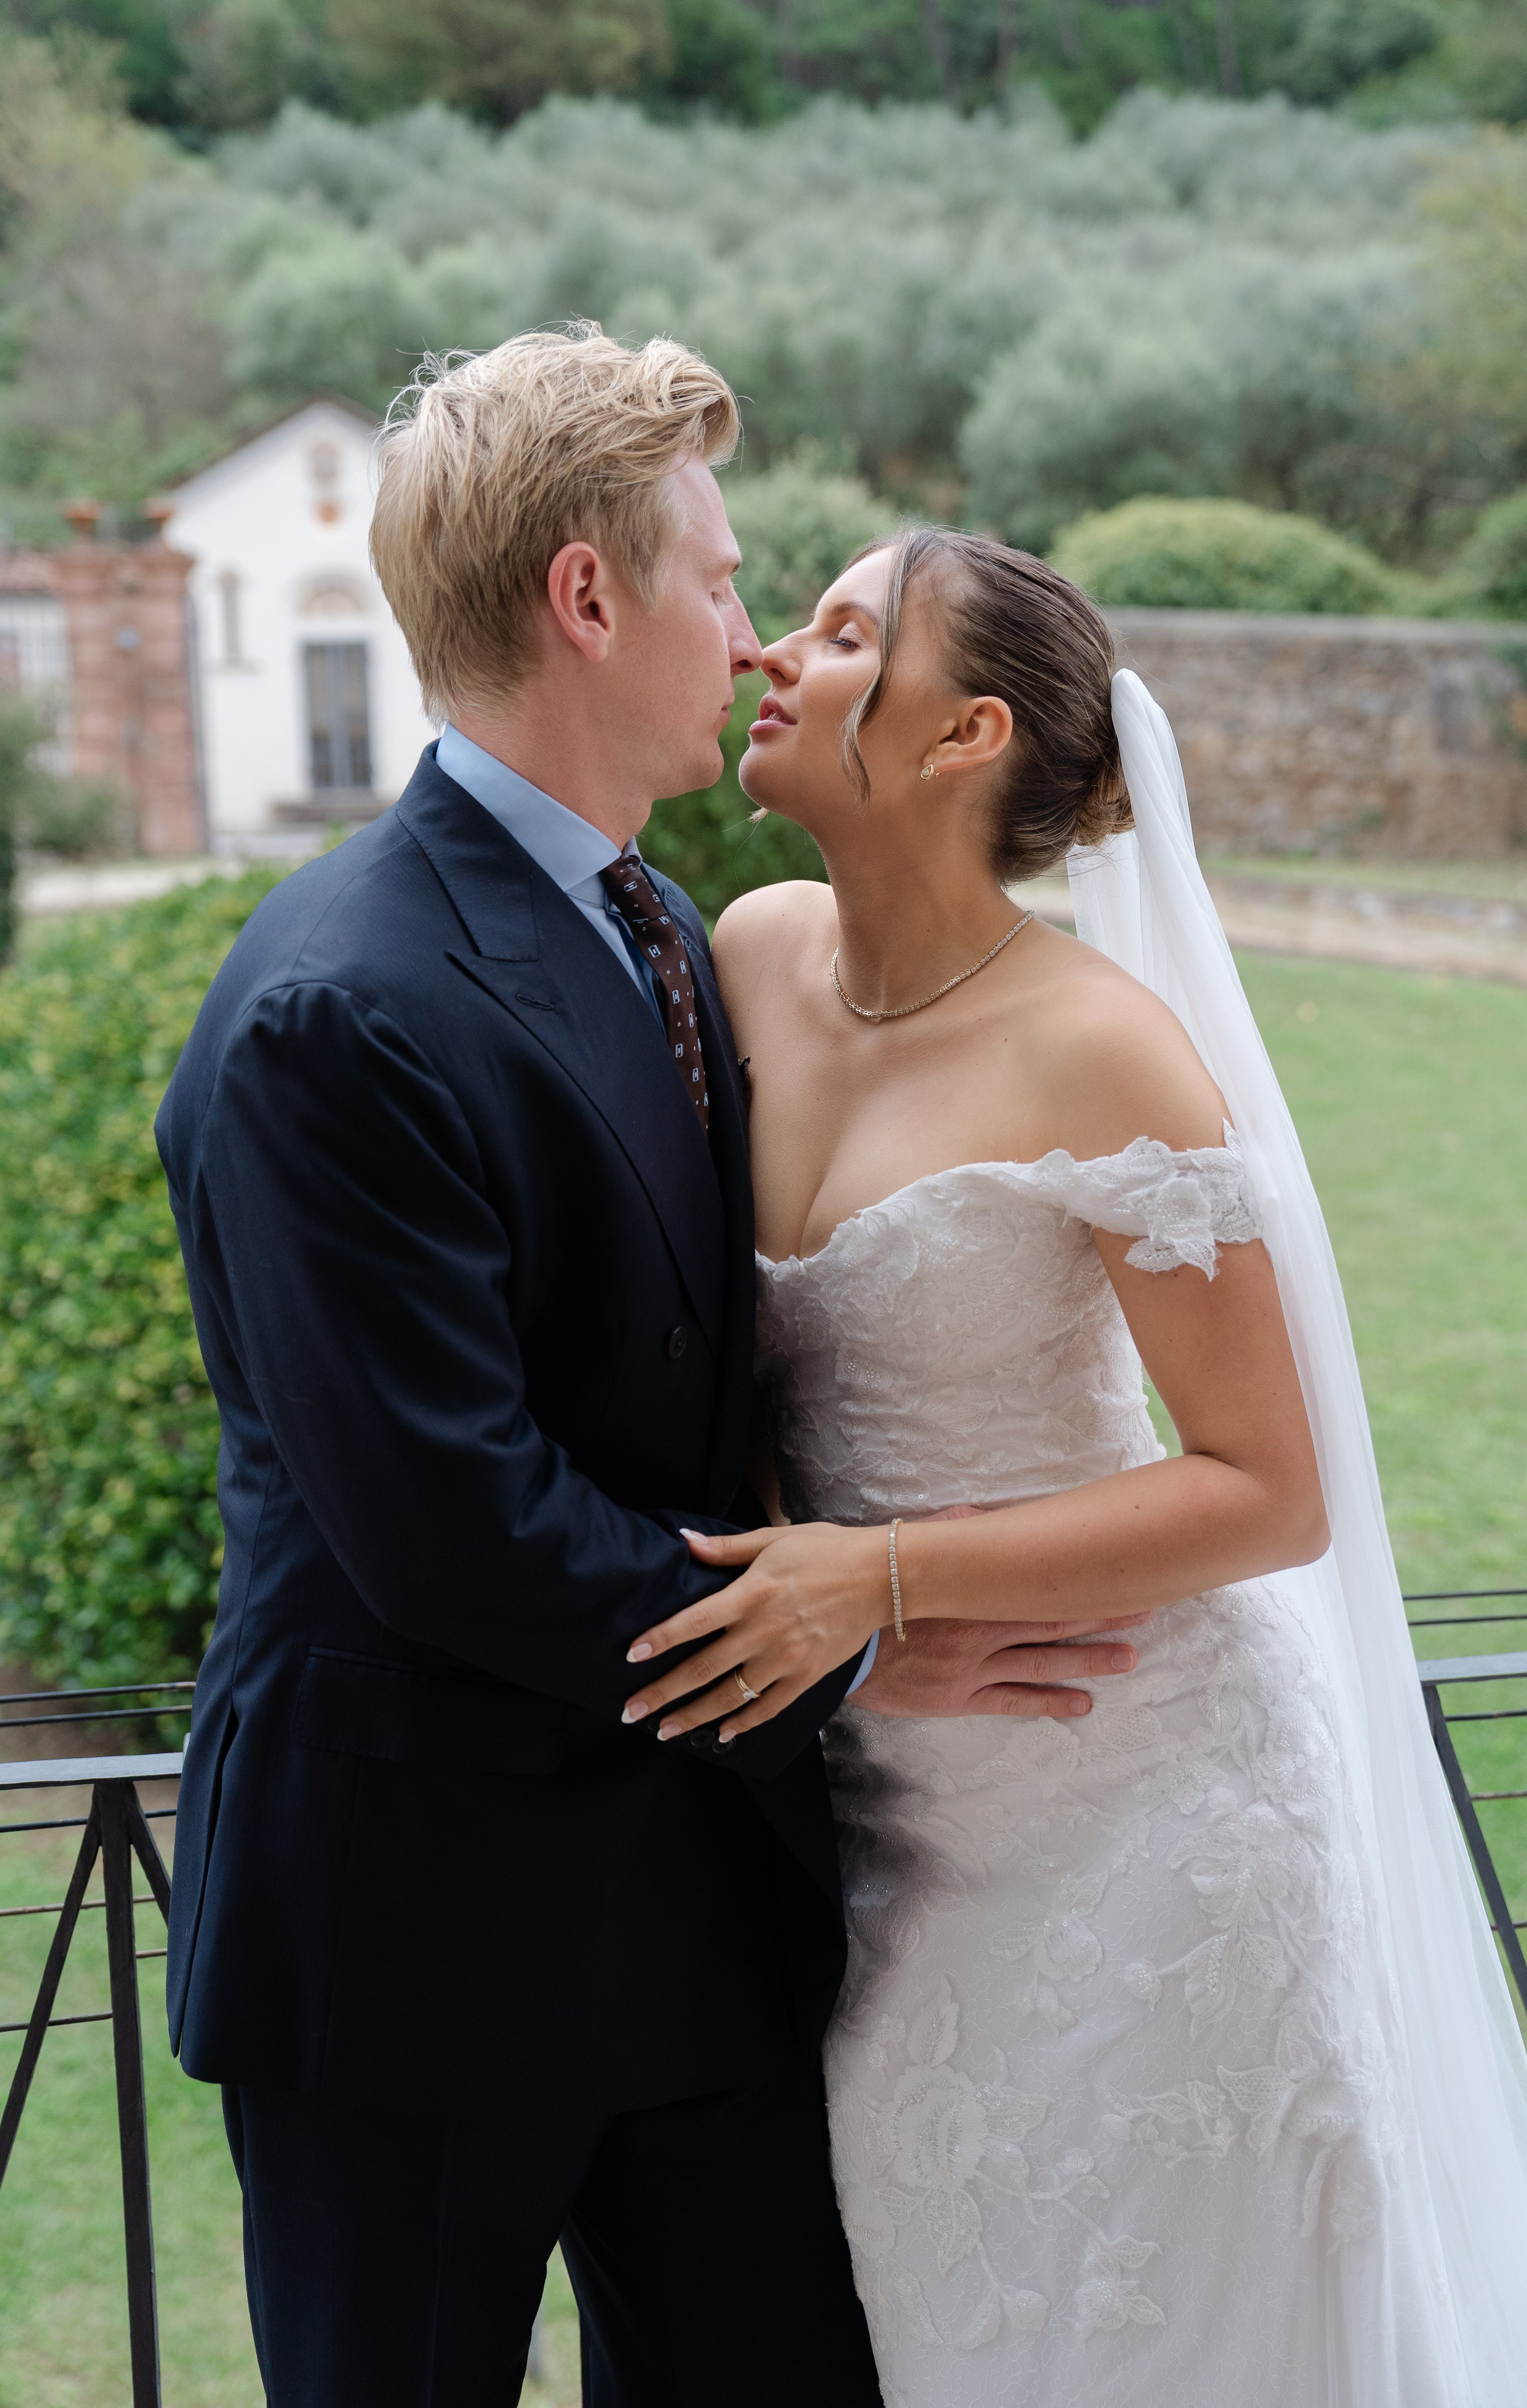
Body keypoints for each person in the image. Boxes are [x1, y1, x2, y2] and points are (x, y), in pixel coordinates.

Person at [155, 332, 1134, 2407]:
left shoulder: (666, 929)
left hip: (690, 1914)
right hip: (411, 1937)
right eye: (720, 576)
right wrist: (854, 1647)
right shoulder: (336, 1007)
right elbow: (457, 1525)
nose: (755, 632)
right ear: (588, 601)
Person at [622, 528, 1527, 2403]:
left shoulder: (1104, 1052)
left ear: (961, 734)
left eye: (842, 635)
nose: (770, 656)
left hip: (1155, 1808)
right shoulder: (744, 956)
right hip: (894, 1816)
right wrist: (802, 1576)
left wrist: (880, 1577)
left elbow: (1268, 1488)